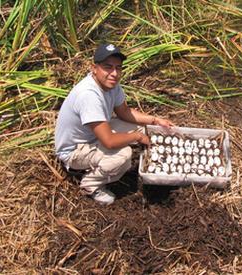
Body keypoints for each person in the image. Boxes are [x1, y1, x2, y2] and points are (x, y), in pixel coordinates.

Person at [55, 43, 174, 205]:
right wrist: (137, 137)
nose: (114, 73)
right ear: (94, 68)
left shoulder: (111, 85)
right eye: (108, 67)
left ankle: (127, 158)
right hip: (75, 150)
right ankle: (90, 185)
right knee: (123, 156)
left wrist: (155, 120)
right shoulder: (88, 96)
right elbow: (109, 141)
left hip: (94, 134)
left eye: (118, 68)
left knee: (146, 128)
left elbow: (124, 112)